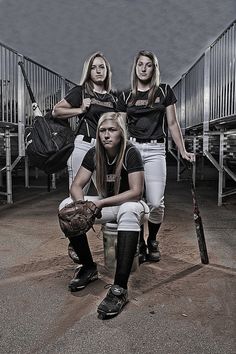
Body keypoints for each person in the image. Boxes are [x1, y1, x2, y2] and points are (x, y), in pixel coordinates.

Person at [59, 112, 149, 319]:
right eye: (102, 131)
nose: (106, 135)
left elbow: (136, 192)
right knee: (66, 205)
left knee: (128, 210)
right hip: (106, 205)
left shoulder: (130, 152)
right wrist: (81, 205)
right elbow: (77, 185)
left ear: (121, 133)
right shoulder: (93, 153)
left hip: (132, 206)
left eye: (112, 130)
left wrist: (99, 203)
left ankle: (119, 288)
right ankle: (89, 267)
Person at [117, 50, 195, 263]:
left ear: (154, 68)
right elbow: (121, 127)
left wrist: (182, 150)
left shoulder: (164, 91)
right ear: (135, 67)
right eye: (140, 64)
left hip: (155, 151)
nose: (143, 68)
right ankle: (140, 243)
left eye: (148, 65)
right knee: (134, 200)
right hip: (131, 150)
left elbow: (172, 124)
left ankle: (152, 239)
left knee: (156, 203)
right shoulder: (125, 95)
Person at [52, 52, 117, 263]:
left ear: (107, 71)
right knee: (76, 199)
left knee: (109, 194)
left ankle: (112, 248)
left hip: (105, 150)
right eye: (94, 67)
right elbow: (56, 111)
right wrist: (80, 108)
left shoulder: (112, 98)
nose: (98, 71)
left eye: (102, 67)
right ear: (88, 71)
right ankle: (77, 246)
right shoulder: (81, 92)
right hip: (83, 146)